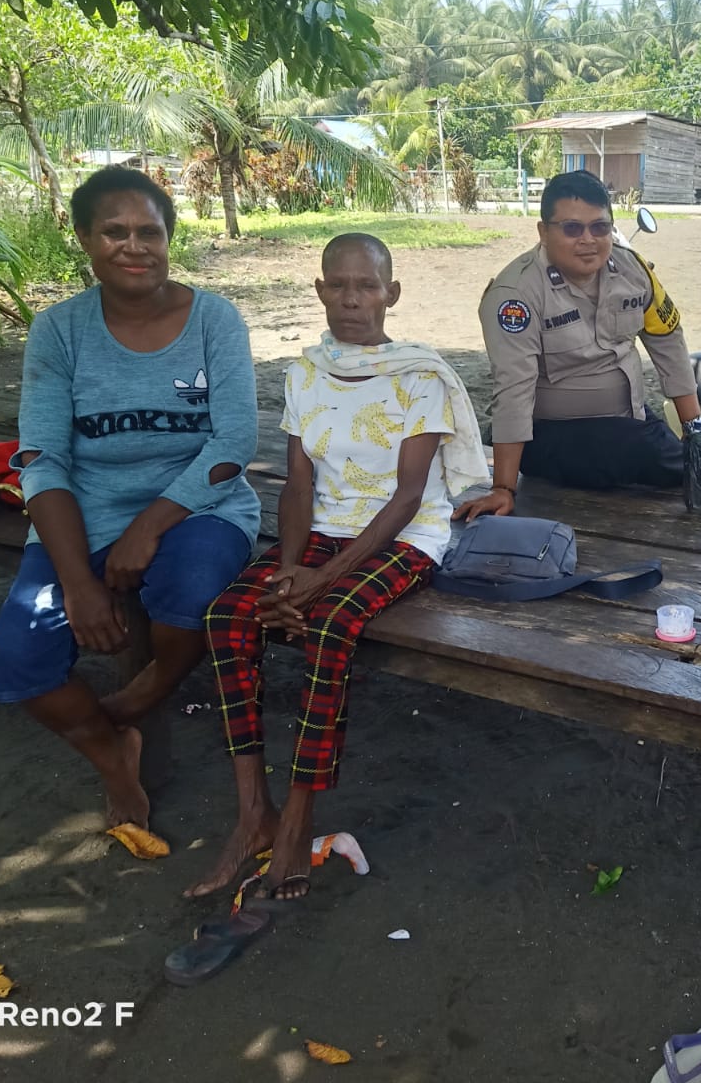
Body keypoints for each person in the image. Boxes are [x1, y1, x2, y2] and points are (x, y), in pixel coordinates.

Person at [186, 234, 488, 901]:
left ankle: (297, 820)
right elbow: (297, 485)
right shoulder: (305, 372)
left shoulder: (421, 376)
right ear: (321, 290)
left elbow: (409, 496)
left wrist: (322, 582)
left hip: (407, 535)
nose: (352, 298)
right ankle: (252, 815)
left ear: (392, 294)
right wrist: (287, 573)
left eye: (368, 286)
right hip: (323, 531)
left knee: (328, 628)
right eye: (339, 284)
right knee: (230, 616)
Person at [0, 166, 261, 829]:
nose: (134, 246)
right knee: (19, 659)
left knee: (191, 596)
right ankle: (115, 755)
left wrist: (148, 528)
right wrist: (78, 582)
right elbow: (42, 460)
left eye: (150, 231)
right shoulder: (59, 331)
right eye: (115, 232)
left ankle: (148, 692)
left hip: (201, 505)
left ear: (170, 237)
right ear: (83, 238)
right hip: (89, 508)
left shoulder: (214, 320)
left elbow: (233, 442)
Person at [454, 170, 701, 520]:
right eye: (572, 228)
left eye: (600, 227)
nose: (588, 239)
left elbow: (668, 343)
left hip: (628, 422)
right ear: (543, 232)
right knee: (648, 446)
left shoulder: (633, 270)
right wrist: (504, 488)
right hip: (553, 437)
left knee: (662, 444)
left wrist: (695, 431)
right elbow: (513, 390)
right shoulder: (516, 296)